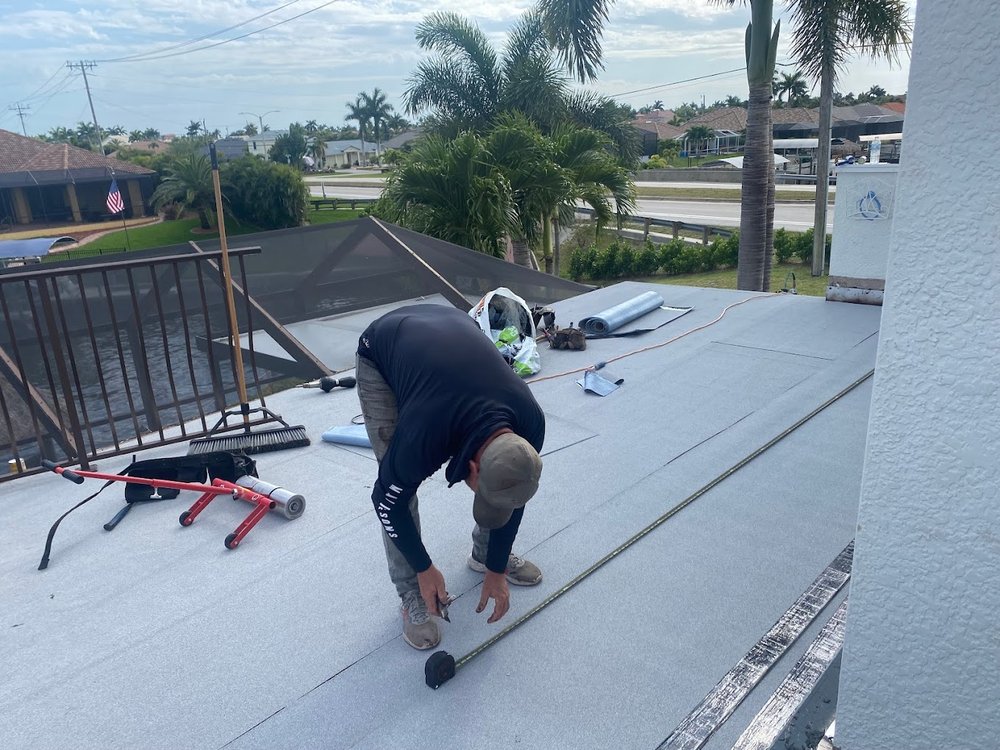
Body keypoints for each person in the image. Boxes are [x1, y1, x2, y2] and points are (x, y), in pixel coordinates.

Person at [356, 303, 545, 650]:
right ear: (470, 468)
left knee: (504, 482)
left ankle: (484, 555)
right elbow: (386, 501)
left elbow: (515, 492)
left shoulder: (529, 424)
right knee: (398, 485)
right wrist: (424, 568)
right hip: (383, 350)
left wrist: (496, 568)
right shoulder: (423, 437)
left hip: (450, 333)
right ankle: (413, 591)